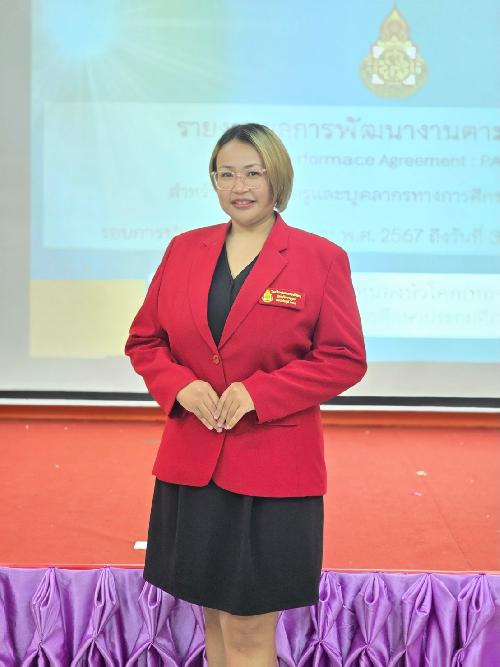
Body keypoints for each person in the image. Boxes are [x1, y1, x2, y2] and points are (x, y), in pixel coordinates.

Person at [124, 123, 367, 666]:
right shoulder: (184, 250)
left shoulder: (320, 258)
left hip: (273, 470)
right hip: (193, 465)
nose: (240, 186)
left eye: (253, 173)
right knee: (213, 615)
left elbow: (344, 357)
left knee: (249, 627)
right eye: (226, 173)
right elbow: (144, 340)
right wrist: (180, 386)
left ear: (277, 177)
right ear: (213, 180)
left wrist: (261, 393)